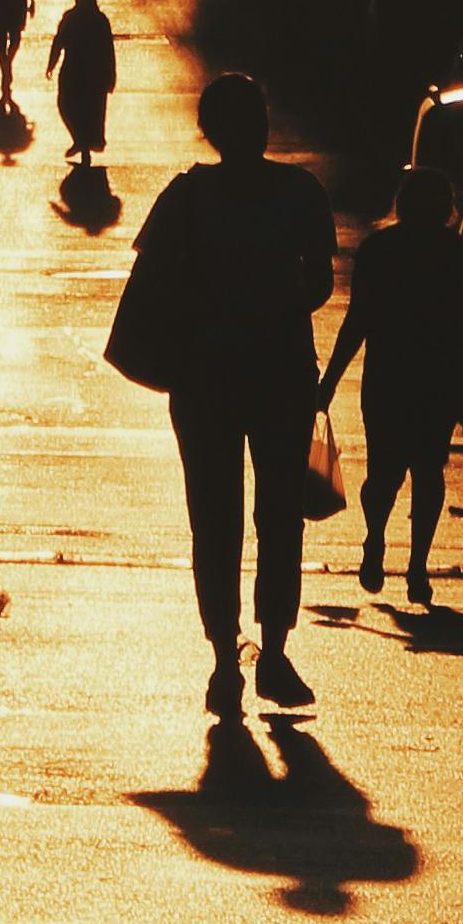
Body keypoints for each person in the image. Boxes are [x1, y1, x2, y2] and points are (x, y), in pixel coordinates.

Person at [105, 72, 336, 717]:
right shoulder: (300, 193)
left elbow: (151, 282)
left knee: (214, 519)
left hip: (205, 376)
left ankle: (222, 660)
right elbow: (318, 280)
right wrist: (274, 303)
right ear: (262, 123)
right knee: (279, 516)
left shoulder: (185, 197)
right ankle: (276, 651)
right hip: (280, 371)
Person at [320, 158, 463, 606]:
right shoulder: (457, 252)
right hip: (436, 377)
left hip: (388, 376)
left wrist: (331, 379)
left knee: (384, 472)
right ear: (446, 207)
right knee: (428, 471)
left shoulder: (379, 250)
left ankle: (376, 540)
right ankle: (416, 566)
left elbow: (359, 320)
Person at [47, 0, 116, 169]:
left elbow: (58, 42)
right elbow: (108, 50)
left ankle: (81, 141)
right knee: (91, 111)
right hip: (96, 73)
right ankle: (84, 143)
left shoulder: (70, 18)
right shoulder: (100, 20)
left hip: (73, 70)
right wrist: (111, 76)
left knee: (68, 106)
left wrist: (51, 65)